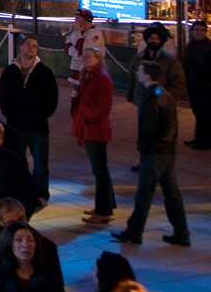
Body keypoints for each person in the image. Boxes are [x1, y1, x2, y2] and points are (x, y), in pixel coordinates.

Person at [113, 60, 191, 247]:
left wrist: (144, 149)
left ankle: (134, 232)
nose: (138, 73)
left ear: (147, 75)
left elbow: (149, 129)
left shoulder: (151, 98)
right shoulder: (165, 95)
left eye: (140, 71)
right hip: (167, 152)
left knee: (144, 194)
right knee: (172, 193)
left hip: (155, 153)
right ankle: (181, 232)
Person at [0, 36, 59, 207]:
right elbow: (2, 95)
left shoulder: (45, 72)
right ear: (21, 48)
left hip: (38, 127)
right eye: (28, 45)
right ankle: (21, 192)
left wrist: (40, 115)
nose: (31, 48)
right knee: (17, 161)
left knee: (40, 164)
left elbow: (52, 99)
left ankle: (41, 194)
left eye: (35, 45)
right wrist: (11, 114)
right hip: (15, 126)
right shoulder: (10, 71)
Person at [71, 47, 116, 224]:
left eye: (90, 57)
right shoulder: (88, 75)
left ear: (98, 59)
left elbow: (103, 107)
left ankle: (103, 210)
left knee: (100, 171)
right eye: (85, 57)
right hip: (88, 126)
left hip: (95, 129)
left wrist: (87, 118)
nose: (86, 59)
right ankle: (104, 206)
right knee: (100, 170)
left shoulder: (101, 78)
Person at [0, 221, 64, 292]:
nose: (25, 244)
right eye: (19, 240)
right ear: (8, 243)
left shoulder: (47, 272)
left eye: (30, 240)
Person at [62, 9, 105, 86]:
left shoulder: (95, 34)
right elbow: (66, 48)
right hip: (76, 72)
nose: (75, 20)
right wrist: (75, 52)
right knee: (75, 96)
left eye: (78, 18)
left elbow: (83, 52)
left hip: (89, 74)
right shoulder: (76, 32)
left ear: (86, 20)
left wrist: (74, 51)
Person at [186, 20, 211, 149]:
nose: (199, 32)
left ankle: (204, 141)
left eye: (202, 30)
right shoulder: (191, 46)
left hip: (203, 87)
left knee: (204, 114)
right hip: (194, 85)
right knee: (198, 113)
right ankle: (198, 138)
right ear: (192, 31)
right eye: (197, 30)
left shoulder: (207, 47)